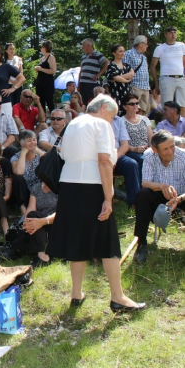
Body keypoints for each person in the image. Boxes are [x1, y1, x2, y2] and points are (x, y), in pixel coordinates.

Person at [47, 94, 146, 313]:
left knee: (77, 238)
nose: (112, 121)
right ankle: (118, 297)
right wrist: (108, 198)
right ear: (102, 108)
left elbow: (63, 154)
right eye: (111, 116)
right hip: (91, 186)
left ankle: (76, 294)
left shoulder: (73, 123)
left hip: (69, 185)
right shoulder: (101, 124)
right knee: (109, 241)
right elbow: (104, 161)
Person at [133, 130, 185, 263]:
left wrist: (179, 198)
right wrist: (161, 186)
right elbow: (145, 183)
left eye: (172, 146)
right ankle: (142, 243)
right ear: (155, 150)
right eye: (165, 149)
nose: (170, 151)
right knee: (142, 195)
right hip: (158, 195)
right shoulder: (149, 155)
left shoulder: (183, 156)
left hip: (181, 197)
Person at [150, 27, 185, 117]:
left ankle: (182, 128)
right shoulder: (160, 48)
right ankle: (166, 128)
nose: (173, 34)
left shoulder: (181, 45)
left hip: (180, 77)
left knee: (182, 105)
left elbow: (184, 62)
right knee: (167, 106)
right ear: (166, 34)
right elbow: (153, 66)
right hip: (166, 78)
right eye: (170, 32)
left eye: (174, 32)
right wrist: (157, 84)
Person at [22, 182, 57, 269]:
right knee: (18, 244)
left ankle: (43, 257)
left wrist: (43, 221)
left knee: (34, 217)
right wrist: (28, 223)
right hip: (38, 224)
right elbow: (30, 210)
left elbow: (62, 213)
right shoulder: (36, 187)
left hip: (55, 223)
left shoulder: (60, 188)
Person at [10, 130, 44, 216]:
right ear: (22, 144)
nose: (32, 143)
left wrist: (38, 151)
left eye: (34, 140)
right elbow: (19, 172)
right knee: (18, 179)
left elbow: (48, 167)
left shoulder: (40, 155)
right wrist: (23, 153)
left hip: (38, 190)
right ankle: (23, 210)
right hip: (23, 193)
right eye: (29, 141)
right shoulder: (16, 157)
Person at [121, 93, 153, 181]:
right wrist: (135, 149)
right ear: (124, 106)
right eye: (131, 104)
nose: (135, 105)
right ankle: (142, 188)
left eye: (136, 103)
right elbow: (122, 143)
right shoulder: (121, 121)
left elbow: (151, 139)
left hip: (147, 150)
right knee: (142, 159)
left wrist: (151, 149)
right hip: (131, 151)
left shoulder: (145, 119)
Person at [111, 113, 141, 207]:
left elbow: (125, 145)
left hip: (116, 155)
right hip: (98, 157)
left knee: (131, 164)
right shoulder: (94, 119)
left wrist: (114, 159)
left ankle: (134, 201)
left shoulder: (118, 120)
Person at [123, 35, 151, 114]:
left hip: (145, 87)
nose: (147, 46)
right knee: (133, 108)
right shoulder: (128, 54)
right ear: (140, 44)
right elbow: (125, 70)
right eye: (146, 44)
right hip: (135, 86)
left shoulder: (143, 57)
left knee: (143, 109)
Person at [78, 38, 110, 104]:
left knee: (92, 101)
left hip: (92, 83)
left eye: (83, 45)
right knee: (84, 101)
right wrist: (78, 82)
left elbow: (107, 63)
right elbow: (81, 69)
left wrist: (98, 75)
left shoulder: (97, 54)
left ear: (89, 45)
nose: (82, 47)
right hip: (82, 82)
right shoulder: (83, 56)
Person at [105, 44, 135, 115]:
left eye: (123, 51)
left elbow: (132, 74)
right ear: (114, 53)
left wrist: (119, 77)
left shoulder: (127, 65)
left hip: (127, 92)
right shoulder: (110, 66)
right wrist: (126, 80)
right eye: (120, 51)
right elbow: (116, 78)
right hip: (116, 93)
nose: (122, 53)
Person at [34, 40, 57, 113]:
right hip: (40, 82)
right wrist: (38, 70)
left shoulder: (51, 57)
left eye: (42, 47)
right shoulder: (42, 58)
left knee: (49, 101)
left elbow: (53, 71)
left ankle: (54, 117)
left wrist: (41, 68)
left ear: (46, 47)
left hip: (47, 83)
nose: (41, 48)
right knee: (40, 102)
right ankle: (42, 120)